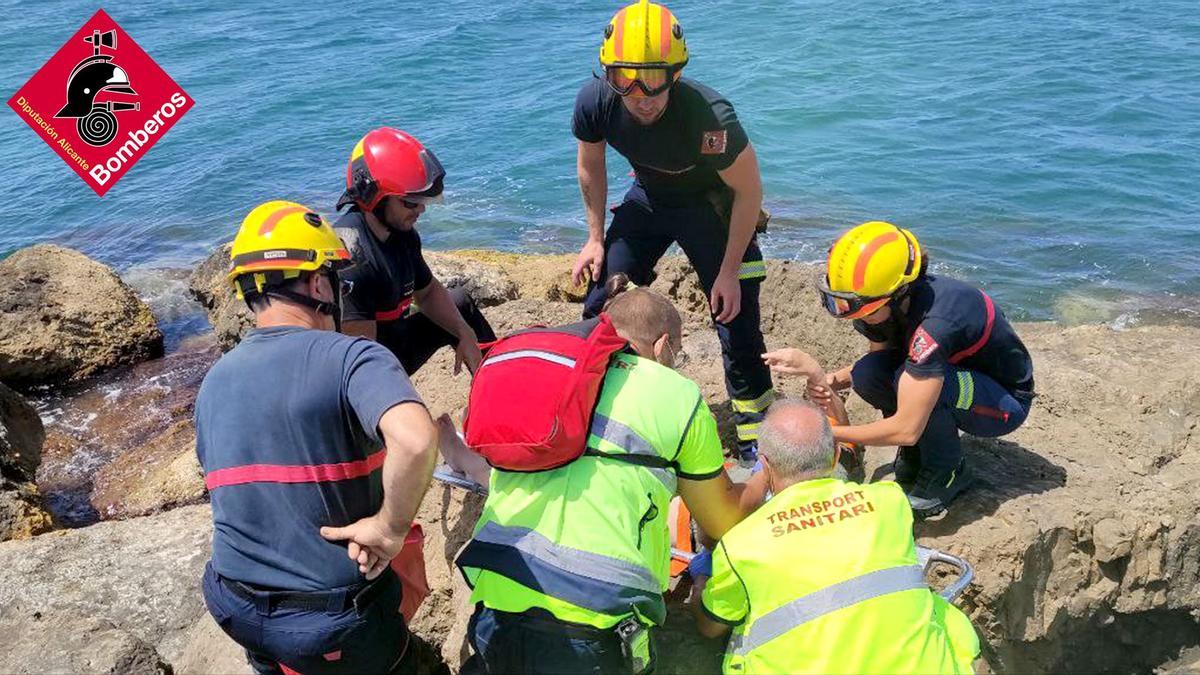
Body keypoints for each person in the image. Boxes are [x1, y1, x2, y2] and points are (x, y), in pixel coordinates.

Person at [453, 279, 746, 674]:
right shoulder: (675, 393)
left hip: (497, 602)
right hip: (594, 619)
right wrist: (758, 487)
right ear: (663, 347)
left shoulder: (552, 380)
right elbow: (719, 521)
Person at [196, 200, 441, 674]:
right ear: (316, 283)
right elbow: (415, 441)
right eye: (336, 278)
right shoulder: (352, 356)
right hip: (330, 616)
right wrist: (388, 528)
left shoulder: (214, 381)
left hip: (233, 601)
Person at [572, 0, 773, 463]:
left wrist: (726, 272)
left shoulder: (710, 118)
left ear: (677, 74)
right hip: (650, 199)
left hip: (710, 206)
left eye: (655, 79)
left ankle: (754, 431)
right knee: (602, 297)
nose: (641, 94)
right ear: (609, 76)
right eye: (625, 78)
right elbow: (591, 167)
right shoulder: (595, 103)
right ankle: (602, 403)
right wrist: (595, 238)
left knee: (735, 312)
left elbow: (749, 192)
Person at [693, 399, 979, 674]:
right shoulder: (890, 502)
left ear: (765, 464)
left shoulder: (741, 546)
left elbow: (710, 627)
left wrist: (702, 576)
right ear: (836, 455)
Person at [797, 221, 1035, 517]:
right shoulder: (886, 308)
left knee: (934, 390)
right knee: (868, 373)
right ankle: (919, 454)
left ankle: (946, 471)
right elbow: (877, 364)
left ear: (897, 295)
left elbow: (907, 429)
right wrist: (833, 380)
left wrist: (830, 434)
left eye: (861, 309)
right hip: (952, 373)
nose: (852, 316)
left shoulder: (935, 328)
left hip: (1002, 403)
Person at [334, 127, 496, 375]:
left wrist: (465, 333)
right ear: (373, 197)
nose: (420, 210)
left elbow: (428, 292)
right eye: (411, 202)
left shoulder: (402, 234)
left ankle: (497, 386)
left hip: (394, 341)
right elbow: (364, 366)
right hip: (364, 362)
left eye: (423, 201)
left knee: (461, 304)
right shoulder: (352, 257)